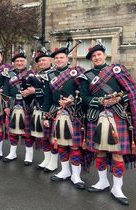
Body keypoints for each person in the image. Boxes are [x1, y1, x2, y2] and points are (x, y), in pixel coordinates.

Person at [78, 42, 136, 205]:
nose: (96, 57)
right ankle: (102, 182)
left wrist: (119, 98)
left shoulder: (117, 71)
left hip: (117, 116)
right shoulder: (87, 75)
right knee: (99, 151)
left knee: (117, 153)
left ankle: (117, 187)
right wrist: (100, 101)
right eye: (93, 56)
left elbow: (132, 92)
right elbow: (83, 99)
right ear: (91, 59)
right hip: (96, 116)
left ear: (105, 56)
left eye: (99, 54)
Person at [42, 45, 87, 189]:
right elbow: (47, 98)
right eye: (56, 58)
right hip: (57, 113)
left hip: (74, 112)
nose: (59, 60)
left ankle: (76, 175)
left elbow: (84, 93)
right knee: (61, 144)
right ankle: (65, 171)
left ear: (67, 59)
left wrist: (72, 100)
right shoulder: (50, 75)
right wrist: (45, 116)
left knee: (74, 146)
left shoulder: (77, 72)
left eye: (61, 57)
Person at [3, 50, 36, 165]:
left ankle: (28, 155)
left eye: (22, 61)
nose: (19, 63)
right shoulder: (9, 74)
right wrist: (6, 106)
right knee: (13, 131)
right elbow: (6, 91)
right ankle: (12, 153)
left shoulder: (32, 73)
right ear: (14, 63)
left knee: (27, 133)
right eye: (17, 61)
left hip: (27, 105)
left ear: (26, 62)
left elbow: (37, 89)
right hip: (13, 104)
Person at [33, 48, 59, 172]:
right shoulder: (36, 74)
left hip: (52, 108)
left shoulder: (55, 73)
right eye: (40, 61)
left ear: (50, 60)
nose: (42, 62)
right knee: (43, 136)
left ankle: (53, 162)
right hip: (39, 107)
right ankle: (46, 159)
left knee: (52, 137)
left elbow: (54, 93)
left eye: (44, 60)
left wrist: (35, 90)